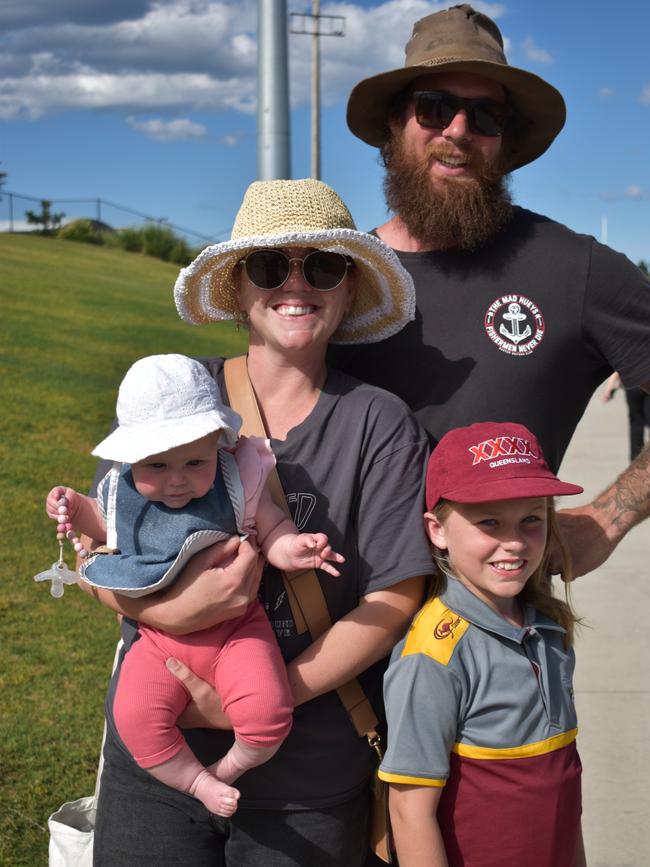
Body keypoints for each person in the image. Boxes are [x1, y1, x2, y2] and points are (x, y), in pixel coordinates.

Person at [79, 178, 433, 866]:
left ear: (351, 288)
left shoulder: (378, 421)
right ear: (238, 287)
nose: (296, 285)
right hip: (155, 762)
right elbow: (98, 549)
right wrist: (180, 609)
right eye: (271, 266)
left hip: (308, 775)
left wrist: (262, 698)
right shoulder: (179, 394)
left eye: (323, 266)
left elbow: (395, 597)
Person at [334, 3, 650, 579]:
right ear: (394, 126)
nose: (458, 131)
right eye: (434, 108)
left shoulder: (576, 269)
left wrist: (611, 516)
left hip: (498, 644)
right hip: (335, 634)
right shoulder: (334, 276)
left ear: (504, 140)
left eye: (485, 116)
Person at [45, 352, 349, 818]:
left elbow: (271, 529)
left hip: (235, 631)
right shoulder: (121, 489)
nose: (176, 481)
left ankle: (226, 771)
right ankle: (195, 781)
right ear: (129, 457)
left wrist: (295, 550)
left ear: (219, 447)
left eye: (193, 461)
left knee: (269, 714)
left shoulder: (238, 477)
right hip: (158, 640)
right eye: (158, 467)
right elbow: (102, 524)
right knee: (135, 718)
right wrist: (70, 504)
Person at [379, 421, 587, 867]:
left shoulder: (549, 629)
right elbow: (409, 811)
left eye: (532, 519)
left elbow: (564, 791)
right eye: (489, 521)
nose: (513, 541)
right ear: (437, 530)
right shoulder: (433, 656)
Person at [603, 372, 650, 461]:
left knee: (636, 423)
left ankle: (635, 460)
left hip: (633, 383)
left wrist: (610, 386)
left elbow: (620, 366)